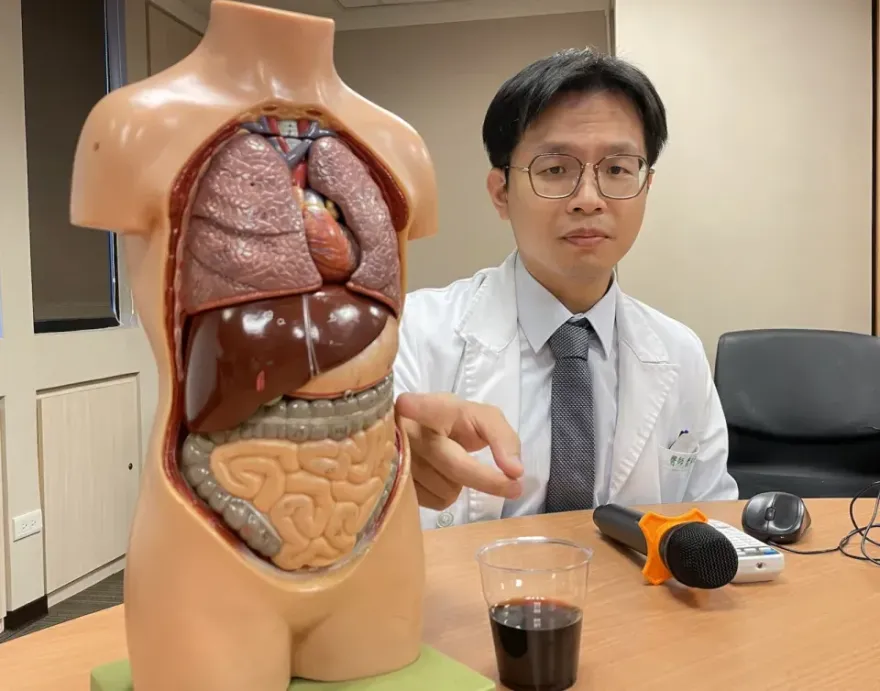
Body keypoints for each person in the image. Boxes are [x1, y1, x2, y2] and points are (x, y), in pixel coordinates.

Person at [393, 48, 738, 530]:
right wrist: (385, 463)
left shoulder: (680, 353)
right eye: (555, 169)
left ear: (646, 187)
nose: (589, 200)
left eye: (617, 169)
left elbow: (712, 519)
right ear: (500, 193)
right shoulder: (413, 333)